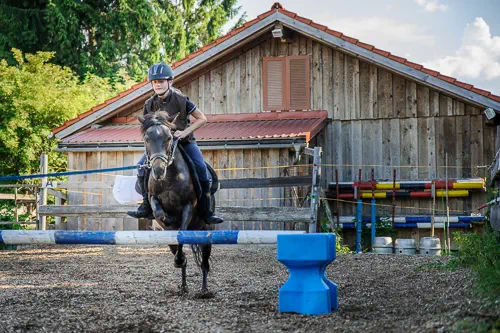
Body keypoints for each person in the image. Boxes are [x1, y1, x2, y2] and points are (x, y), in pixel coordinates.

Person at [127, 62, 223, 225]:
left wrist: (184, 132)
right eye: (154, 82)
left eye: (161, 81)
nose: (157, 85)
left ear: (170, 82)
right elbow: (147, 127)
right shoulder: (149, 104)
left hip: (184, 142)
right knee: (140, 167)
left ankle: (206, 211)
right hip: (160, 146)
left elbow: (202, 118)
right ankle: (145, 205)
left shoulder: (181, 99)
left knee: (200, 168)